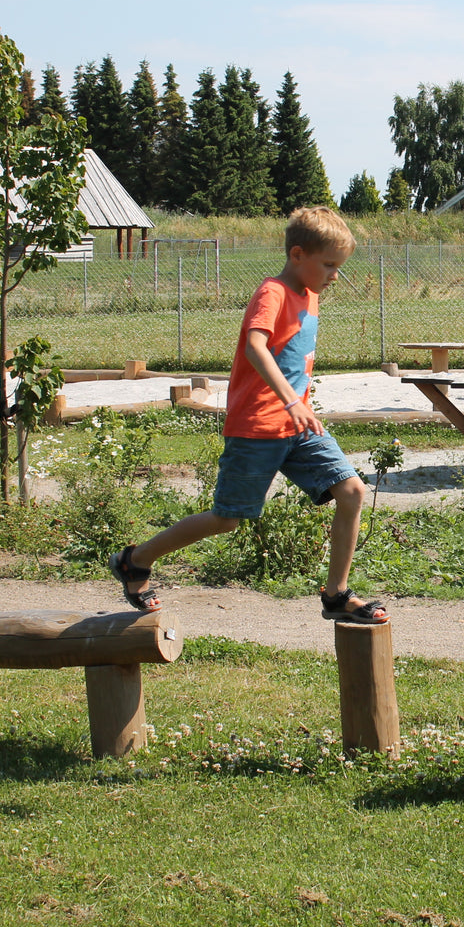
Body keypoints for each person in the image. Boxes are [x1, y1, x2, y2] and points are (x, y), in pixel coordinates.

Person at [109, 206, 388, 625]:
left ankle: (336, 595)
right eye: (329, 265)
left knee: (352, 492)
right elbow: (256, 347)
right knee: (228, 519)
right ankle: (136, 560)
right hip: (258, 426)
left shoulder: (309, 294)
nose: (335, 275)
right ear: (298, 255)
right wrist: (291, 400)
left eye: (339, 266)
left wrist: (299, 406)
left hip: (299, 425)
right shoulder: (272, 293)